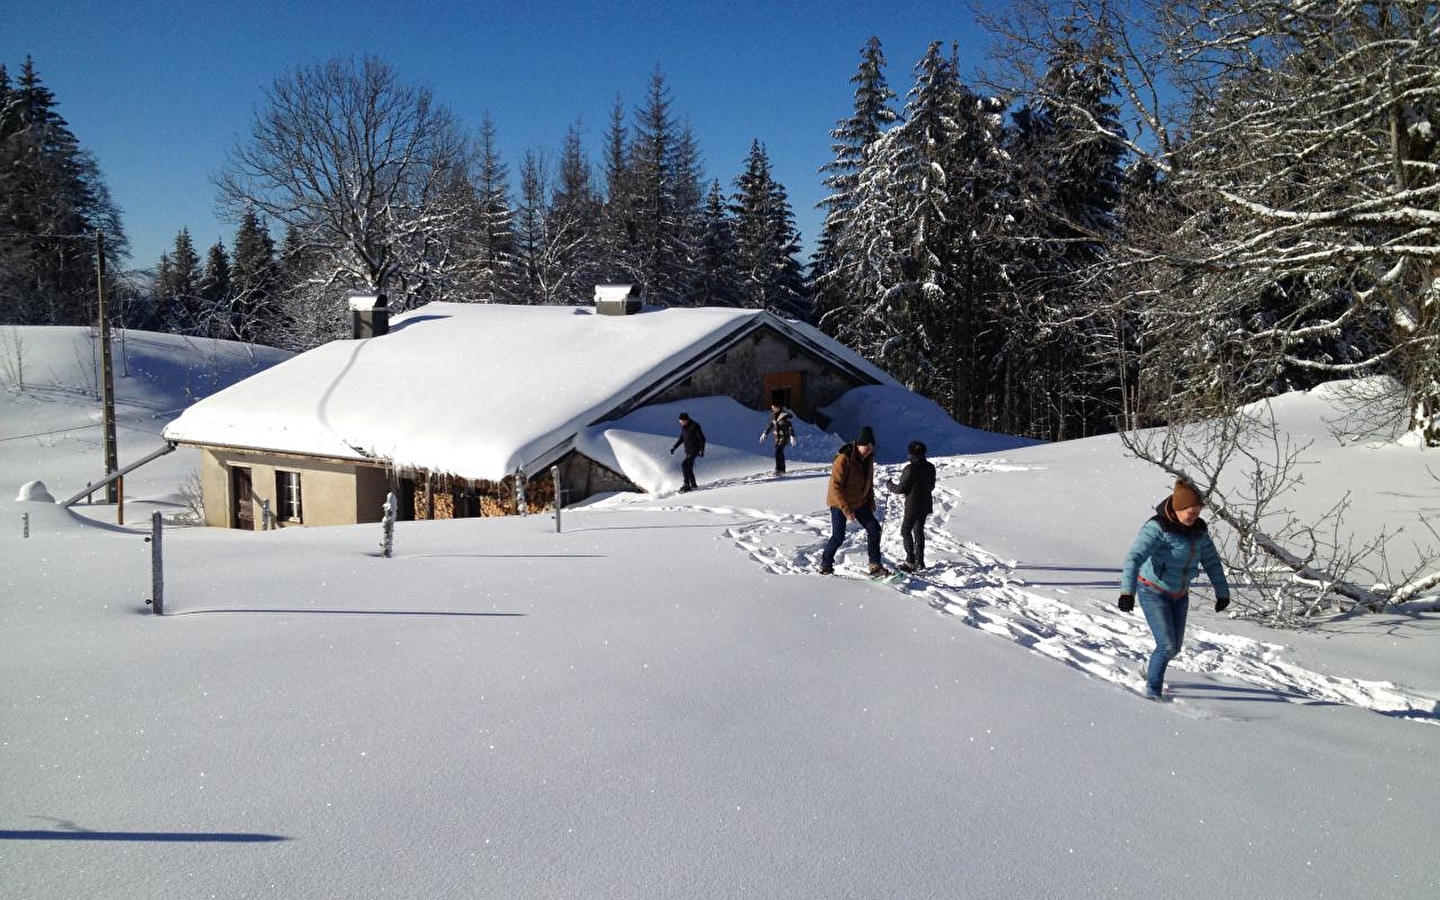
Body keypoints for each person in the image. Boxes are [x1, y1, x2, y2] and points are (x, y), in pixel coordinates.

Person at [1118, 478, 1231, 701]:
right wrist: (1127, 592)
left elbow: (1211, 561)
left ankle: (1147, 668)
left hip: (1180, 595)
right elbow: (1134, 557)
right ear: (1177, 508)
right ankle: (1152, 692)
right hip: (1153, 591)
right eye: (1190, 512)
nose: (1193, 516)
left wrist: (1222, 592)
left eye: (1197, 512)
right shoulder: (1158, 528)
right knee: (1166, 645)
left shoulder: (1199, 531)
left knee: (1174, 648)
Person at [819, 425, 890, 577]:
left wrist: (870, 501)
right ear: (860, 444)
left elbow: (868, 482)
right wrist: (846, 510)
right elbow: (835, 487)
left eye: (872, 447)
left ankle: (875, 565)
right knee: (838, 537)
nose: (870, 450)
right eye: (868, 447)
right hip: (839, 503)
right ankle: (825, 565)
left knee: (874, 528)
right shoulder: (843, 459)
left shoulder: (868, 458)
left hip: (859, 502)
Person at [885, 440, 936, 572]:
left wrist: (889, 485)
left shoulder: (910, 468)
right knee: (919, 531)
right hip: (925, 503)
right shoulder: (930, 467)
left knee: (905, 530)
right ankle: (920, 562)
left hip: (912, 505)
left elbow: (901, 488)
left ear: (911, 453)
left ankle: (910, 560)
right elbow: (931, 486)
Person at [670, 412, 706, 492]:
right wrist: (674, 447)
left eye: (682, 421)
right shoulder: (684, 427)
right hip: (688, 450)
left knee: (684, 464)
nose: (680, 422)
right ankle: (693, 484)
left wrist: (701, 450)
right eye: (680, 421)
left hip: (694, 450)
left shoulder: (695, 426)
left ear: (686, 420)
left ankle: (686, 484)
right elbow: (681, 438)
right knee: (689, 467)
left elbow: (702, 439)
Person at [758, 402, 796, 475]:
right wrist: (764, 434)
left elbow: (790, 427)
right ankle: (781, 470)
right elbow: (770, 425)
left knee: (778, 452)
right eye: (772, 408)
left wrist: (792, 436)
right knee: (779, 453)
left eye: (774, 408)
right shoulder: (773, 416)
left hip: (784, 437)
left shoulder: (784, 416)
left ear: (778, 407)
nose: (773, 409)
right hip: (777, 438)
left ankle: (778, 469)